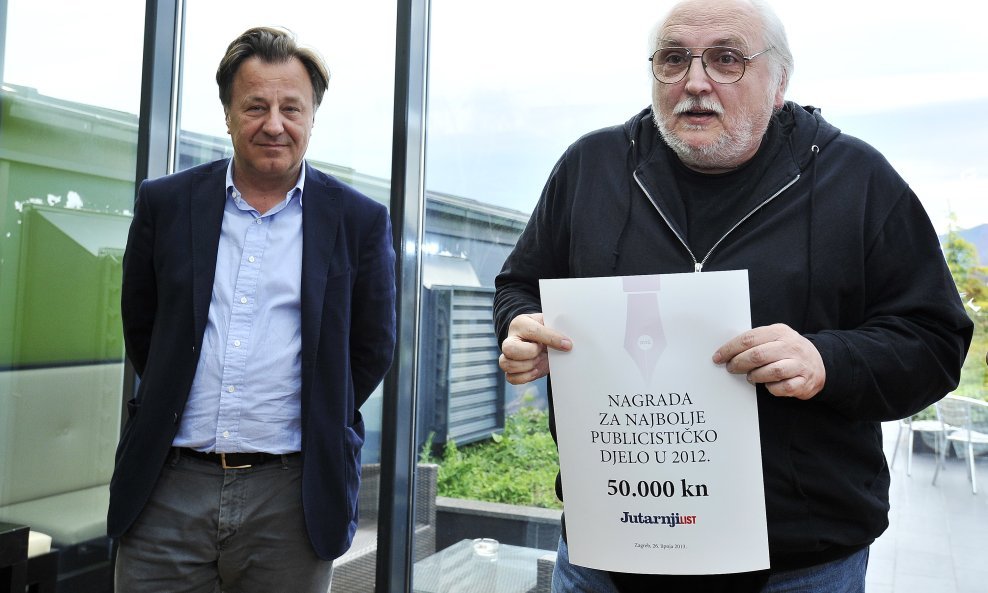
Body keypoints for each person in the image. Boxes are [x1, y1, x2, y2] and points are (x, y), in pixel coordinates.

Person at [493, 0, 972, 591]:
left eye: (726, 59)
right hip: (608, 551)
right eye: (674, 59)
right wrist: (522, 325)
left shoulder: (857, 179)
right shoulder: (590, 168)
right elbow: (519, 285)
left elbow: (935, 340)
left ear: (780, 83)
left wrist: (828, 360)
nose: (695, 82)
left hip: (797, 566)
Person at [108, 26, 396, 592]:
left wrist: (320, 409)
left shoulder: (360, 220)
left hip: (293, 496)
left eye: (292, 108)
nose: (274, 124)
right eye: (256, 106)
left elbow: (371, 348)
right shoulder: (166, 203)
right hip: (167, 487)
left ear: (312, 116)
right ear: (228, 113)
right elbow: (143, 326)